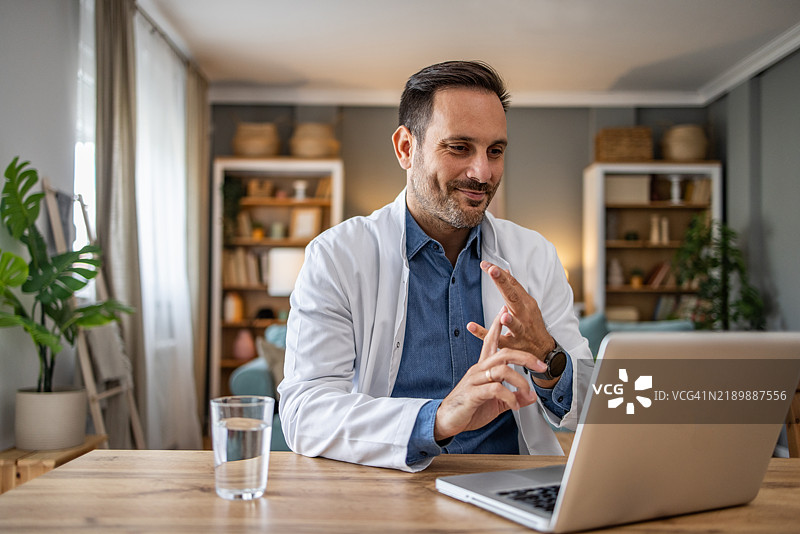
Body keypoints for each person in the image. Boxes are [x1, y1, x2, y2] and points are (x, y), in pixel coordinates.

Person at [278, 60, 593, 472]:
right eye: (459, 147)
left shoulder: (535, 255)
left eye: (495, 151)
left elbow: (591, 404)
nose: (483, 172)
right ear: (406, 148)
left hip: (511, 482)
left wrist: (550, 359)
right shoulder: (337, 256)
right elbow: (304, 412)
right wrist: (437, 419)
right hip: (387, 484)